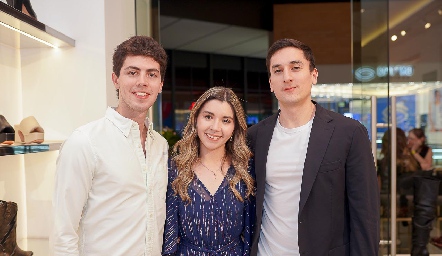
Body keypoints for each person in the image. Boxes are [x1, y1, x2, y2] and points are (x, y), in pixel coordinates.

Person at [247, 38, 379, 255]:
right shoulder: (255, 136)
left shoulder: (349, 132)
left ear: (314, 75)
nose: (287, 76)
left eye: (295, 68)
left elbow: (365, 215)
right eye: (277, 71)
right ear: (270, 82)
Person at [51, 36, 169, 255]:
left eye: (151, 74)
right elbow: (63, 234)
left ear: (160, 85)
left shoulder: (160, 146)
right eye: (132, 72)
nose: (142, 81)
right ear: (115, 79)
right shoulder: (84, 142)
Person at [162, 86, 255, 255]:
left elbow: (251, 235)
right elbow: (169, 239)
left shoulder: (245, 170)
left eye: (226, 120)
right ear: (196, 119)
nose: (215, 127)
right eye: (208, 117)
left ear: (235, 126)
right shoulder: (176, 170)